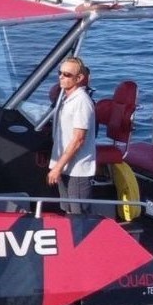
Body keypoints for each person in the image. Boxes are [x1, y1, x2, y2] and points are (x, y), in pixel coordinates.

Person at [48, 55, 97, 215]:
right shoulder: (67, 99)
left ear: (79, 78)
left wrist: (57, 167)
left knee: (79, 214)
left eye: (67, 74)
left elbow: (78, 139)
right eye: (60, 73)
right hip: (66, 167)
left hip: (77, 170)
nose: (61, 77)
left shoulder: (82, 102)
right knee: (68, 210)